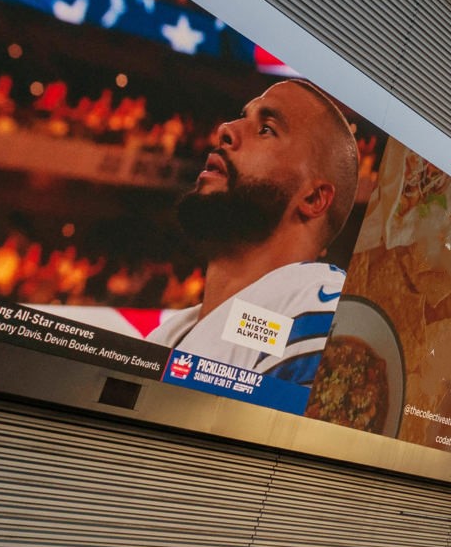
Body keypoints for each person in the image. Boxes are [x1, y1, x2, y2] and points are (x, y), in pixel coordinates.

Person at [151, 79, 359, 381]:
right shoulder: (169, 334)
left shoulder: (318, 303)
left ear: (313, 198)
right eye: (242, 116)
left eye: (266, 129)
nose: (226, 129)